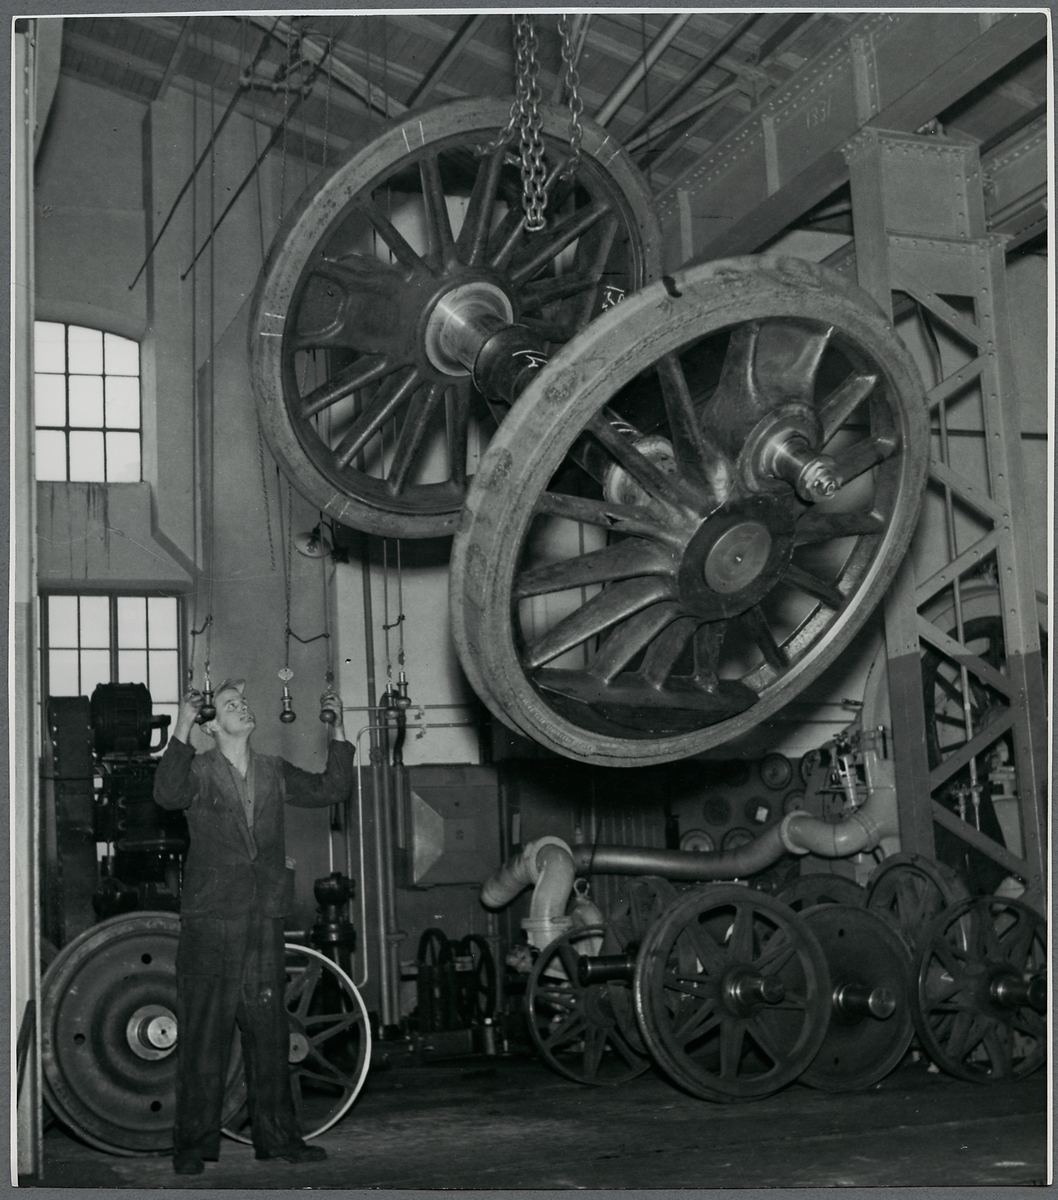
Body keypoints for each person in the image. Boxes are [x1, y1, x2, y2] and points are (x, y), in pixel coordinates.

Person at [154, 677, 354, 1175]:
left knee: (269, 1033)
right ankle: (191, 1146)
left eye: (244, 701)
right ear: (212, 724)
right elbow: (167, 794)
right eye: (230, 704)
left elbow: (333, 788)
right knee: (205, 1034)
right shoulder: (198, 771)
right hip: (211, 920)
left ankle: (278, 1138)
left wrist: (337, 727)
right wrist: (182, 723)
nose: (242, 707)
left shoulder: (273, 770)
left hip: (263, 916)